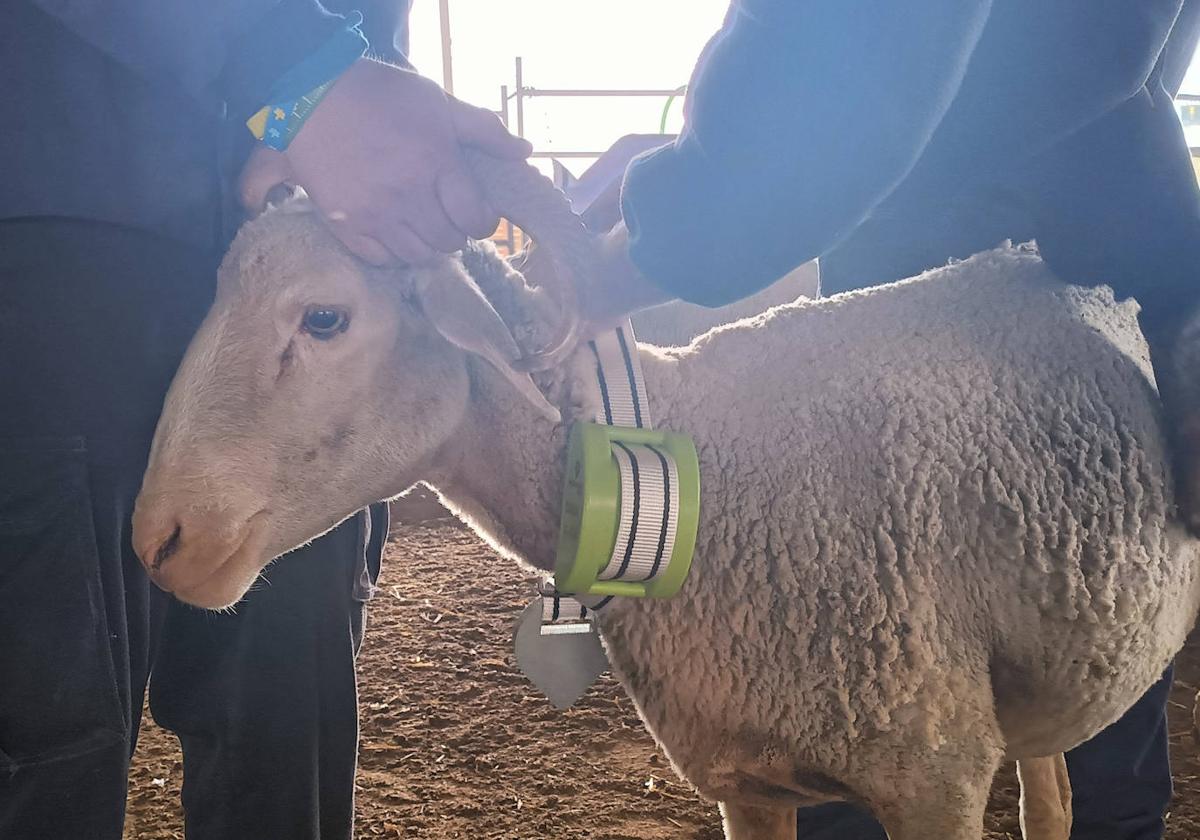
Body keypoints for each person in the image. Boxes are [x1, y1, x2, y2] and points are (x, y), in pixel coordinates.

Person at [576, 3, 1200, 839]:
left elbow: (867, 67)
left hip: (1056, 245)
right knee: (865, 652)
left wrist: (665, 226)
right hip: (991, 254)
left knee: (1088, 612)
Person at [0, 1, 528, 838]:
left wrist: (360, 98)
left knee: (286, 744)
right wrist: (300, 71)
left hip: (312, 242)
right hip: (60, 235)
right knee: (44, 748)